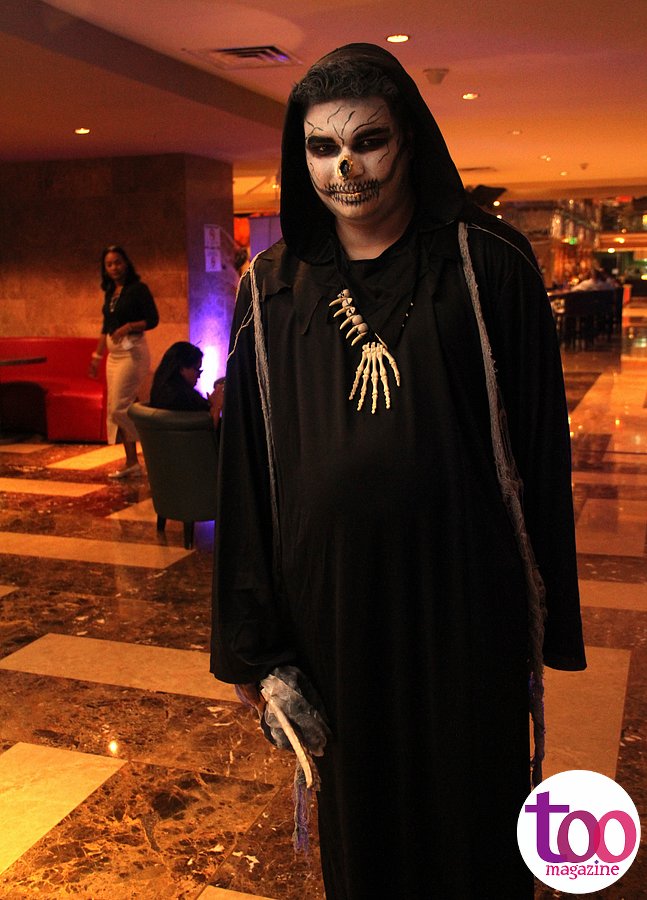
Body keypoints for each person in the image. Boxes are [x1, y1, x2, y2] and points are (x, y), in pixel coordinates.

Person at [210, 43, 586, 899]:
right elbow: (248, 472)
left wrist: (543, 619)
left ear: (408, 138)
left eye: (367, 140)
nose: (344, 168)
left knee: (474, 816)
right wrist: (250, 648)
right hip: (330, 610)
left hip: (465, 604)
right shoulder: (271, 287)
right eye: (321, 147)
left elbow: (539, 449)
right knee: (361, 825)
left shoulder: (487, 263)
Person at [89, 245, 159, 478]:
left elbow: (153, 319)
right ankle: (132, 463)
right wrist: (97, 356)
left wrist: (128, 326)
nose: (114, 268)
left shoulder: (138, 289)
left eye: (118, 262)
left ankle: (152, 443)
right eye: (109, 264)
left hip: (132, 353)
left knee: (119, 407)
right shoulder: (111, 292)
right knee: (119, 407)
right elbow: (105, 327)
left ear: (126, 263)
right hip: (114, 355)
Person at [149, 341, 224, 426]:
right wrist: (217, 406)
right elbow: (207, 429)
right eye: (197, 370)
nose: (199, 376)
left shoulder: (159, 392)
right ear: (181, 369)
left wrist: (211, 403)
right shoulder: (183, 398)